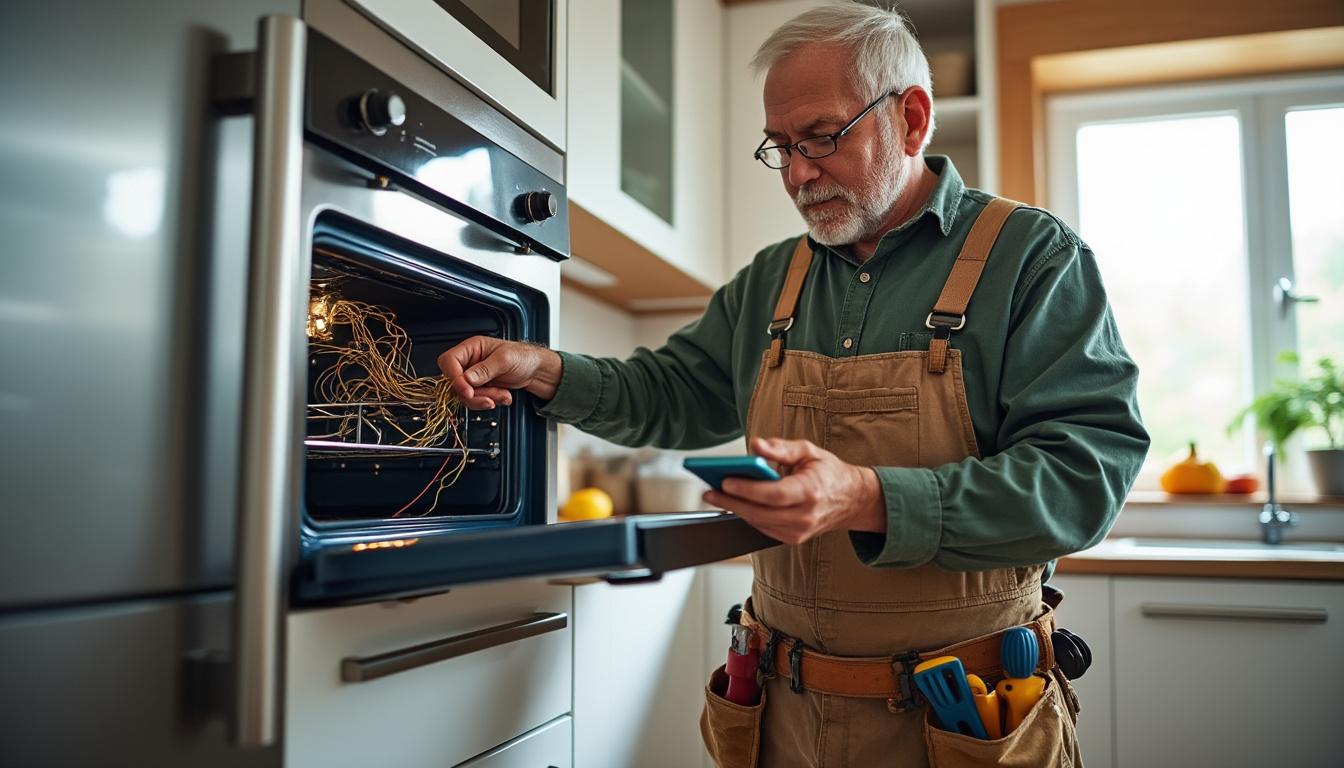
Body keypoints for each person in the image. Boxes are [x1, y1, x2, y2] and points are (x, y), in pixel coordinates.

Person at [438, 3, 1148, 765]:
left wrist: (866, 497)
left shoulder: (1032, 257)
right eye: (780, 147)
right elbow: (671, 393)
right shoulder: (772, 281)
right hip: (780, 720)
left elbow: (1085, 479)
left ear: (911, 119)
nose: (801, 173)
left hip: (966, 722)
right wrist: (543, 368)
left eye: (822, 137)